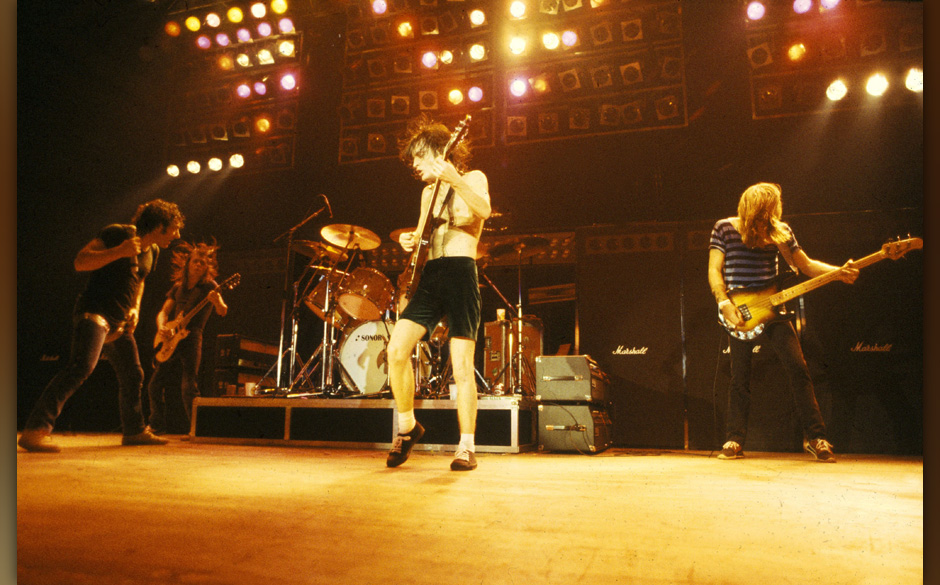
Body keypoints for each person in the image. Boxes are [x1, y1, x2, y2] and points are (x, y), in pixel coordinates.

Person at [18, 199, 185, 452]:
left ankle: (134, 431)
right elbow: (80, 261)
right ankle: (35, 430)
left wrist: (135, 308)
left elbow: (139, 279)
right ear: (159, 225)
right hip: (95, 312)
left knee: (133, 374)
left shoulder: (153, 251)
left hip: (120, 322)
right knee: (81, 367)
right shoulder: (117, 233)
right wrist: (119, 251)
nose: (177, 234)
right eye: (174, 228)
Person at [707, 182, 858, 463]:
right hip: (740, 310)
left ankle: (817, 438)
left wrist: (838, 272)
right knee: (740, 378)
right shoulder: (725, 228)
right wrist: (724, 303)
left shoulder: (781, 231)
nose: (772, 215)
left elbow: (806, 265)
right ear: (757, 209)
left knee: (799, 369)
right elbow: (714, 270)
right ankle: (734, 439)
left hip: (774, 310)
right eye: (768, 210)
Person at [385, 115, 491, 471]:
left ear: (437, 151)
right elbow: (422, 237)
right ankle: (407, 428)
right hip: (431, 275)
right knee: (396, 350)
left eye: (418, 156)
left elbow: (484, 210)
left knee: (461, 365)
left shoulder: (473, 178)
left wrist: (455, 179)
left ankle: (467, 447)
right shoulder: (427, 193)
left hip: (461, 271)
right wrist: (410, 240)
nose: (414, 165)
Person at [147, 241, 228, 434]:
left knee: (188, 385)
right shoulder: (178, 287)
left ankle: (196, 429)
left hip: (192, 336)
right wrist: (162, 327)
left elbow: (223, 311)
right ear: (188, 263)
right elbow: (163, 312)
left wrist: (217, 302)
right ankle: (156, 425)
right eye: (195, 261)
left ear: (207, 267)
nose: (199, 265)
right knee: (154, 384)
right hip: (172, 338)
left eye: (203, 263)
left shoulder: (210, 286)